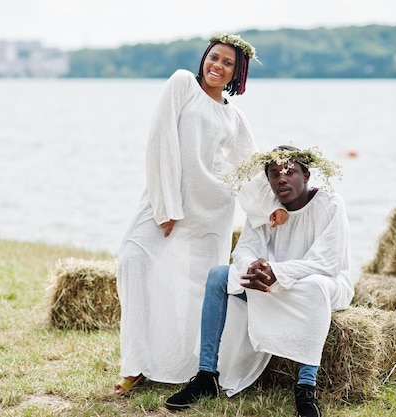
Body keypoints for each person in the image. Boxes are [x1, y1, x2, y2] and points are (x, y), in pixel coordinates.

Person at [115, 33, 284, 396]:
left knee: (197, 290)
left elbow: (249, 168)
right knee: (133, 259)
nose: (217, 66)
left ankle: (196, 366)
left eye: (228, 63)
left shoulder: (234, 116)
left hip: (212, 209)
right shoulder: (181, 85)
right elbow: (159, 141)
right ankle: (136, 364)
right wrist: (166, 206)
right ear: (205, 57)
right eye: (214, 57)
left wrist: (277, 207)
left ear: (237, 75)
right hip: (167, 201)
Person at [164, 145, 354, 417]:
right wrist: (252, 267)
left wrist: (277, 271)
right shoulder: (266, 208)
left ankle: (305, 388)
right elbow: (244, 250)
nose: (281, 179)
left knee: (315, 286)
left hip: (321, 283)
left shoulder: (330, 203)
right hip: (270, 283)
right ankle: (206, 376)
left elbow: (327, 262)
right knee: (219, 275)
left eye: (290, 172)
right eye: (274, 174)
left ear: (307, 175)